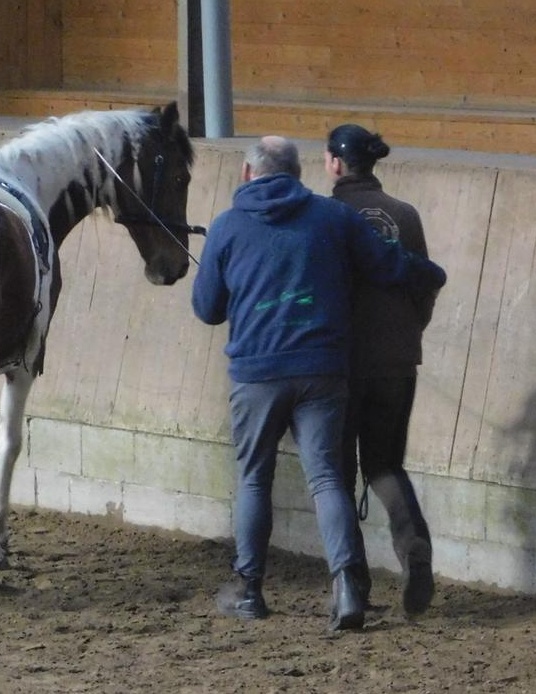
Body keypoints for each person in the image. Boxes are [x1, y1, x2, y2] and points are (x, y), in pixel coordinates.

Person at [191, 136, 446, 631]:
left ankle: (249, 590)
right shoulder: (333, 218)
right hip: (322, 370)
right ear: (297, 172)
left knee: (253, 479)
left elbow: (208, 310)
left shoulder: (225, 226)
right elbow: (388, 264)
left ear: (247, 174)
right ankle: (347, 586)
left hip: (257, 372)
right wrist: (430, 271)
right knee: (328, 478)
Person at [326, 124, 437, 616]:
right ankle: (414, 550)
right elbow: (424, 285)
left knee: (337, 474)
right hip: (397, 358)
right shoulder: (405, 215)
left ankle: (355, 586)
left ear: (334, 163)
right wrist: (410, 329)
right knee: (385, 465)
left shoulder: (325, 216)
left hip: (341, 363)